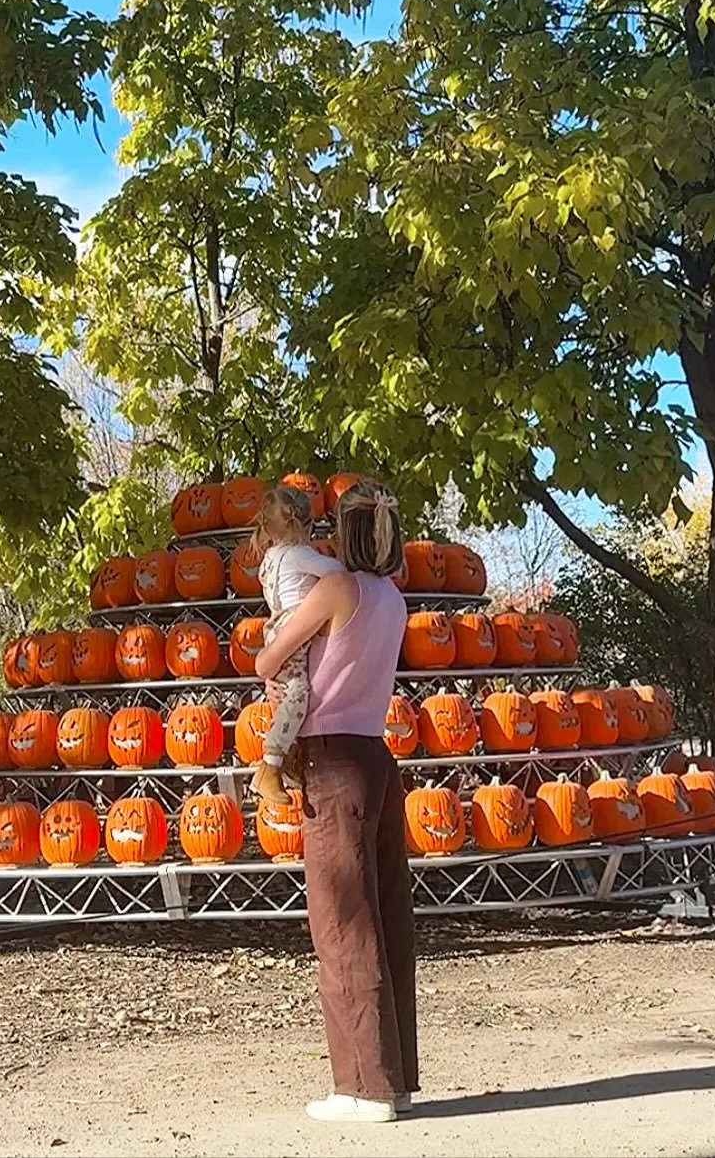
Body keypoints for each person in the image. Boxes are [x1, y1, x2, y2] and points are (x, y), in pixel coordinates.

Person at [255, 479, 417, 1124]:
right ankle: (394, 1079)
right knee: (387, 916)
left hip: (333, 762)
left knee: (342, 922)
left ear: (343, 532)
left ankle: (363, 1089)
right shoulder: (393, 598)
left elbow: (268, 660)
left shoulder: (335, 590)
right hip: (377, 755)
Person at [249, 485, 345, 803]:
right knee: (297, 696)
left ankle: (289, 763)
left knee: (285, 692)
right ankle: (270, 766)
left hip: (275, 627)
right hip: (294, 625)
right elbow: (338, 575)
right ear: (305, 524)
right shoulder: (299, 554)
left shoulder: (269, 559)